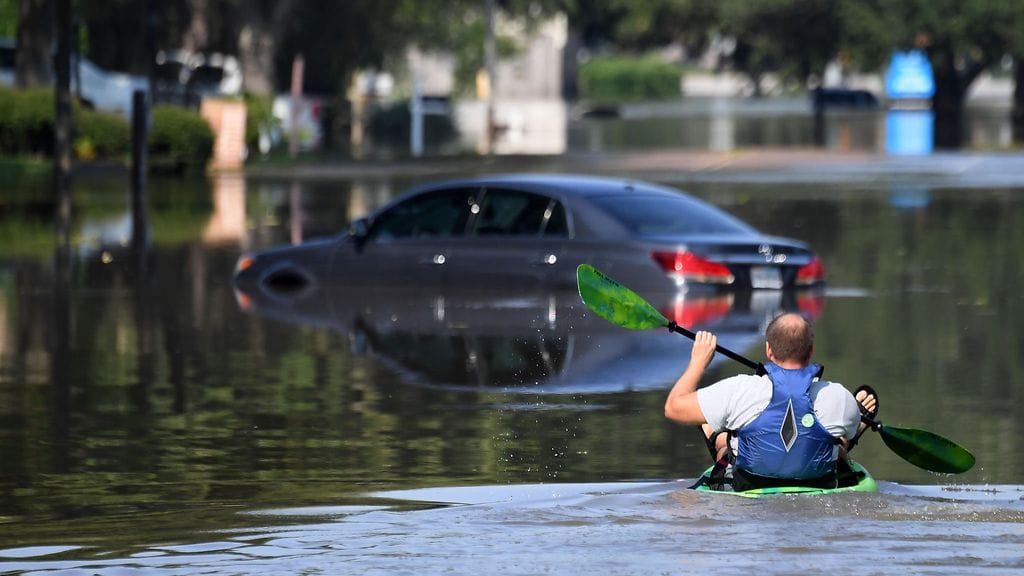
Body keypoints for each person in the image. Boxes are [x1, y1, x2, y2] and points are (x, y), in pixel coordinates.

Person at [664, 312, 878, 491]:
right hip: (817, 482)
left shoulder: (739, 389)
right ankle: (850, 433)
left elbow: (673, 408)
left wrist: (698, 362)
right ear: (810, 351)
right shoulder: (839, 396)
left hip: (749, 486)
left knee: (727, 440)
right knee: (837, 439)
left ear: (768, 349)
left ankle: (718, 437)